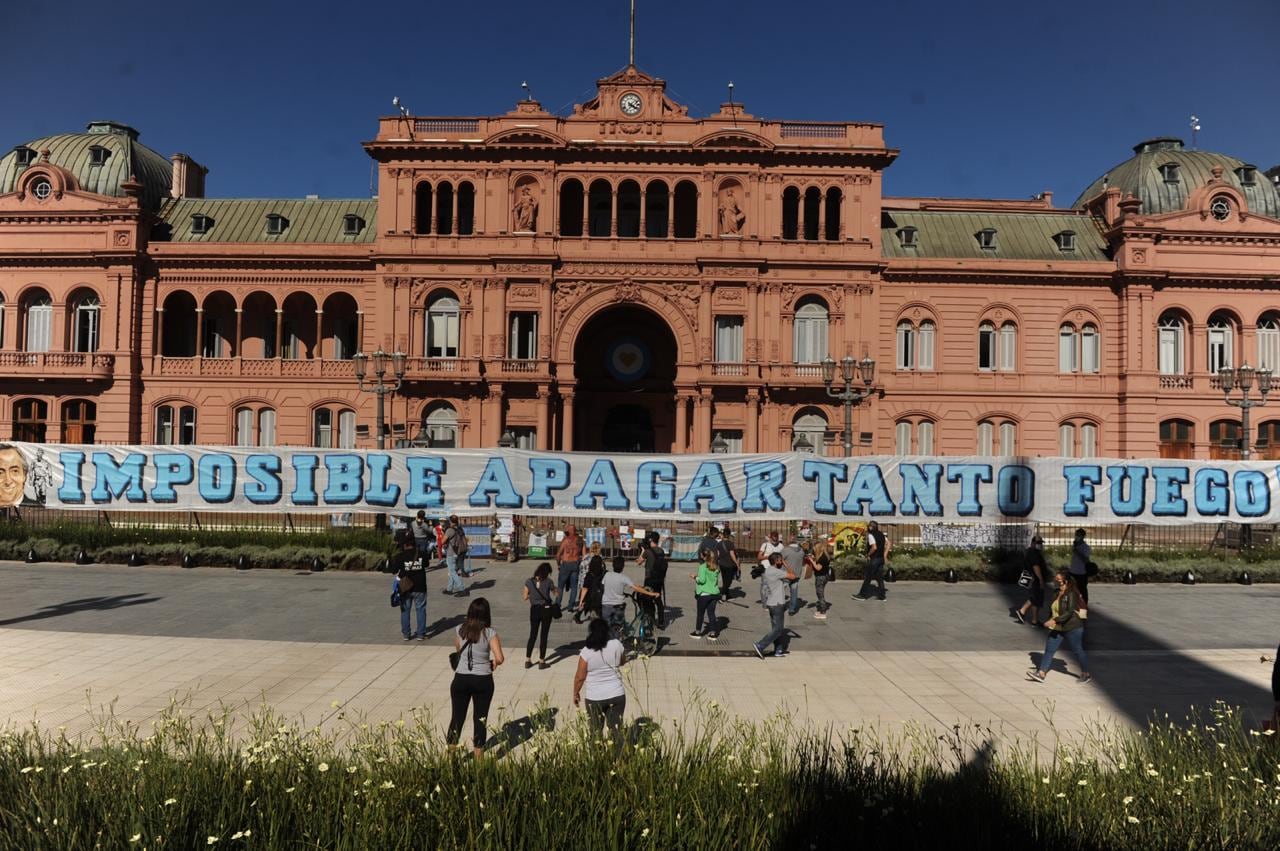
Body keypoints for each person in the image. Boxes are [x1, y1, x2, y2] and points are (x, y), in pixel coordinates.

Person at [446, 597, 505, 758]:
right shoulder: (489, 633)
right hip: (483, 680)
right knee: (480, 719)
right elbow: (499, 658)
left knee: (456, 718)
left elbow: (458, 648)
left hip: (461, 679)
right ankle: (479, 761)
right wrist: (493, 664)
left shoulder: (460, 629)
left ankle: (450, 758)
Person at [1025, 571, 1091, 684]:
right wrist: (1051, 619)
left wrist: (1053, 620)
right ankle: (1041, 673)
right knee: (1049, 650)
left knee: (1077, 650)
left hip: (1072, 626)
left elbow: (1069, 612)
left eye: (1059, 580)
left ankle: (1086, 674)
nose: (1056, 581)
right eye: (1056, 579)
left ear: (1066, 580)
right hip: (1058, 627)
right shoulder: (1056, 592)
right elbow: (1053, 609)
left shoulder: (1071, 593)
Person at [573, 618, 627, 736]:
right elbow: (623, 661)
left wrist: (576, 693)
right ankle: (617, 754)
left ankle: (598, 754)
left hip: (594, 697)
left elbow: (580, 677)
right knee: (616, 732)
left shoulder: (586, 651)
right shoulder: (617, 644)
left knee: (595, 733)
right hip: (617, 694)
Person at [601, 554, 660, 634]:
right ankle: (618, 641)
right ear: (623, 566)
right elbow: (636, 588)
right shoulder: (623, 578)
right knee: (618, 628)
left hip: (605, 605)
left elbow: (606, 586)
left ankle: (604, 643)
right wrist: (650, 593)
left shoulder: (607, 575)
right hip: (618, 606)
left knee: (605, 627)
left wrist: (622, 593)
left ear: (613, 565)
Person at [753, 552, 797, 658]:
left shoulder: (768, 570)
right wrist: (786, 564)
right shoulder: (776, 572)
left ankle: (778, 650)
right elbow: (793, 576)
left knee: (775, 628)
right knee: (778, 629)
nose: (782, 562)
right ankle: (760, 645)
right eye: (781, 560)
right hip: (777, 604)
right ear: (776, 561)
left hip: (771, 603)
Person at [391, 529, 427, 641]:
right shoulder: (422, 553)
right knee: (420, 609)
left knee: (405, 610)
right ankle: (421, 634)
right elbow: (426, 564)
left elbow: (393, 570)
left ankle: (406, 634)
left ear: (404, 544)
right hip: (420, 586)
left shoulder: (400, 556)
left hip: (405, 586)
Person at [522, 562, 556, 670]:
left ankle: (528, 660)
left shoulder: (529, 581)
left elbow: (525, 597)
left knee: (533, 634)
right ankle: (542, 661)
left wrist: (533, 594)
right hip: (546, 610)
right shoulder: (549, 581)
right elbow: (556, 593)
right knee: (544, 635)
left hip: (534, 610)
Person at [1013, 535, 1047, 626]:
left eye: (1041, 543)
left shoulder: (1034, 552)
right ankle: (1022, 611)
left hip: (1034, 579)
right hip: (1035, 579)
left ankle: (1033, 619)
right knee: (1035, 598)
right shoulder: (1033, 553)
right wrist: (1041, 579)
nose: (1040, 545)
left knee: (1036, 598)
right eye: (1038, 543)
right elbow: (1036, 566)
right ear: (1033, 543)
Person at [689, 548, 721, 640]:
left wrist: (695, 577)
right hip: (714, 593)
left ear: (703, 556)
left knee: (700, 614)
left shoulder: (702, 567)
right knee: (711, 614)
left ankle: (698, 632)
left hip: (704, 594)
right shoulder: (716, 566)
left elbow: (702, 580)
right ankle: (713, 633)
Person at [853, 521, 889, 601]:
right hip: (880, 559)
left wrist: (868, 555)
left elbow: (874, 547)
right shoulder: (881, 534)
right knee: (879, 578)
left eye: (868, 526)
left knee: (868, 577)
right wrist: (885, 555)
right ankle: (882, 596)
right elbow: (889, 544)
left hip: (874, 559)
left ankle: (862, 595)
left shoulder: (871, 535)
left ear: (871, 527)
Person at [640, 531, 669, 628]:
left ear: (650, 540)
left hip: (649, 578)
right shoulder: (661, 551)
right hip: (659, 579)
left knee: (647, 599)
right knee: (658, 599)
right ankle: (661, 621)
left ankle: (650, 620)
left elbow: (639, 562)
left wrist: (642, 550)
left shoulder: (647, 551)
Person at [555, 523, 584, 613]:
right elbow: (584, 555)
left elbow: (558, 554)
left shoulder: (566, 540)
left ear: (570, 531)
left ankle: (558, 605)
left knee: (560, 586)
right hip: (575, 563)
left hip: (566, 564)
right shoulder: (580, 541)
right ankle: (570, 606)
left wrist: (558, 564)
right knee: (574, 587)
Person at [576, 554, 606, 624]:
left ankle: (579, 615)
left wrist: (581, 601)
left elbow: (585, 589)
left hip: (590, 597)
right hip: (601, 596)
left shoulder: (589, 574)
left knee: (594, 617)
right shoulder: (604, 573)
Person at [444, 515, 470, 595]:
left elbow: (442, 541)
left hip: (451, 553)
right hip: (458, 552)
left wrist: (443, 534)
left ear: (450, 521)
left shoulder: (449, 530)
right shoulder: (460, 528)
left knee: (452, 572)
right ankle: (449, 589)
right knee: (453, 571)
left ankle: (462, 589)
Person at [757, 531, 785, 605]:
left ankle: (773, 601)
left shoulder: (781, 546)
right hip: (766, 568)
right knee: (765, 586)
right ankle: (765, 603)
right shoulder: (765, 545)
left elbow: (783, 557)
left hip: (777, 569)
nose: (775, 540)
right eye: (773, 538)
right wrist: (768, 557)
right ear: (770, 538)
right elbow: (759, 557)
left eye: (776, 538)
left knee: (775, 586)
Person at [780, 535, 806, 616]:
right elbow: (803, 562)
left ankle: (781, 606)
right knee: (794, 592)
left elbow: (779, 560)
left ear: (789, 540)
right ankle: (792, 609)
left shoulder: (785, 550)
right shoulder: (801, 551)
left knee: (781, 591)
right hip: (796, 574)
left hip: (786, 574)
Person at [809, 540, 833, 619]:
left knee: (820, 594)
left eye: (814, 548)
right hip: (824, 576)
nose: (813, 550)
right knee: (820, 592)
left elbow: (818, 568)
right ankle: (821, 609)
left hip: (821, 577)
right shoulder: (824, 555)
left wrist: (812, 561)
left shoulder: (822, 558)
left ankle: (823, 612)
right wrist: (814, 558)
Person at [0, 444, 28, 508]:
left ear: (24, 475)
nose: (8, 481)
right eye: (0, 473)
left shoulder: (38, 509)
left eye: (14, 471)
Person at [716, 527, 740, 601]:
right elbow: (732, 555)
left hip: (722, 564)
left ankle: (727, 595)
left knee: (725, 580)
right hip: (729, 565)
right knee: (728, 582)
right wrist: (737, 563)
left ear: (723, 534)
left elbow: (718, 554)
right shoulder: (730, 544)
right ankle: (721, 595)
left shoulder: (719, 543)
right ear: (729, 535)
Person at [1070, 528, 1091, 604]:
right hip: (1073, 572)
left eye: (1078, 535)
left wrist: (1077, 552)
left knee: (1082, 590)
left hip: (1081, 573)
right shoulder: (1075, 545)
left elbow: (1086, 560)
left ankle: (1084, 606)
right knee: (1072, 591)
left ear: (1083, 536)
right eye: (1076, 535)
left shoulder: (1085, 547)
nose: (1076, 537)